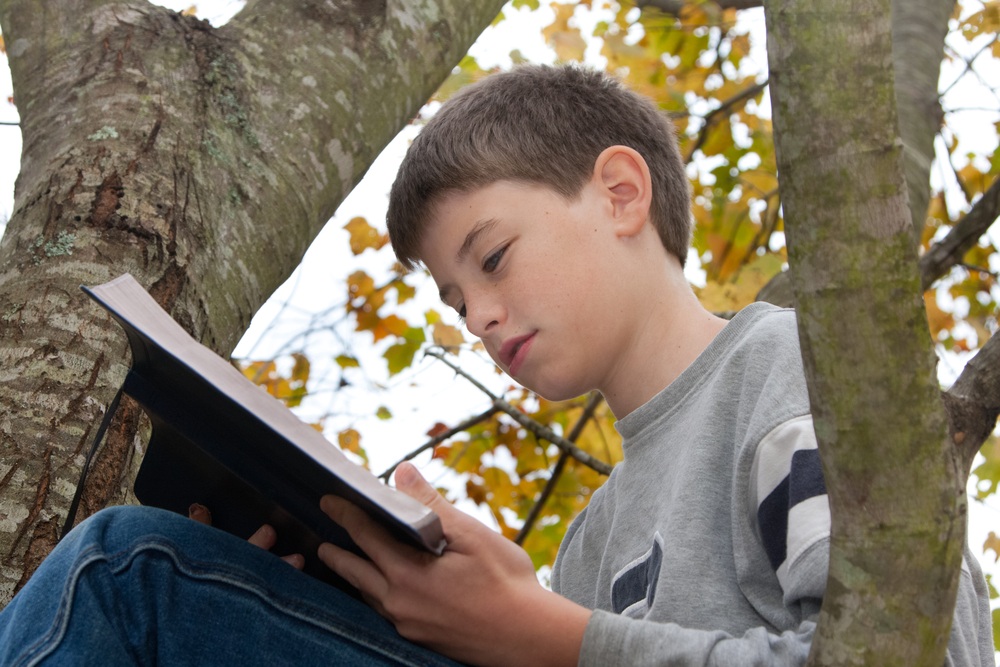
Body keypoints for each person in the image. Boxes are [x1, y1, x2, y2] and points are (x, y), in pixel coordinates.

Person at [0, 64, 992, 667]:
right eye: (451, 298)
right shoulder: (596, 536)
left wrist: (547, 637)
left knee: (131, 572)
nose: (477, 314)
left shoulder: (789, 372)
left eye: (492, 257)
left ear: (617, 193)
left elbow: (908, 652)